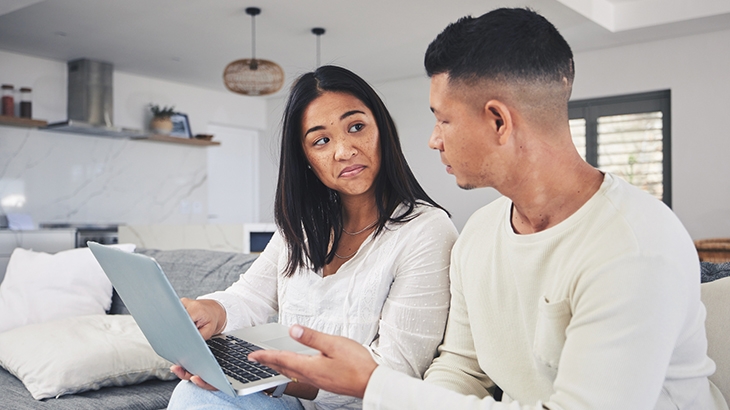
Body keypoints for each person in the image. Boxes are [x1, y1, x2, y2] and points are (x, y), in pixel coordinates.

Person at [250, 8, 729, 410]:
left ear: (498, 120)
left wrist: (375, 384)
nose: (434, 139)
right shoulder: (479, 235)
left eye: (443, 119)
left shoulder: (635, 244)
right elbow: (460, 367)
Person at [166, 65, 459, 410]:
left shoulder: (426, 230)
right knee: (195, 393)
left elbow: (396, 372)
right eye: (321, 141)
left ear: (383, 130)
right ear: (307, 160)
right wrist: (211, 311)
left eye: (356, 127)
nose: (343, 150)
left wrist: (273, 379)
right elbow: (250, 297)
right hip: (296, 403)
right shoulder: (303, 227)